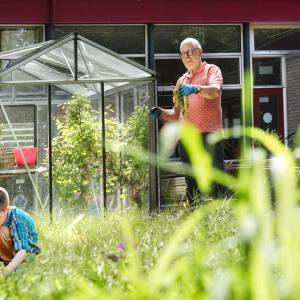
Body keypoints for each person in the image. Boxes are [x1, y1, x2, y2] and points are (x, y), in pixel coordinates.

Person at [150, 37, 225, 205]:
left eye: (190, 52)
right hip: (186, 140)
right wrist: (161, 112)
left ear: (200, 52)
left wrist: (196, 89)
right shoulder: (181, 81)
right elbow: (177, 115)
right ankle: (196, 219)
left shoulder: (211, 71)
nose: (187, 57)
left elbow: (214, 92)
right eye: (183, 54)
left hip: (209, 137)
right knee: (192, 185)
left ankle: (221, 219)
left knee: (214, 182)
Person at [0, 187, 40, 275]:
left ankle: (14, 268)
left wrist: (4, 273)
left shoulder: (17, 218)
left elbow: (23, 250)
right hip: (12, 253)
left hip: (26, 254)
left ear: (6, 209)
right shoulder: (3, 217)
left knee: (2, 231)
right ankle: (10, 264)